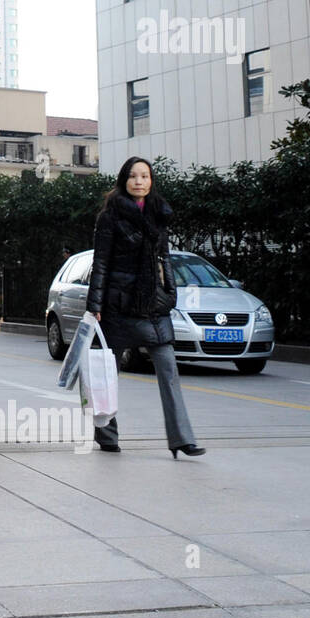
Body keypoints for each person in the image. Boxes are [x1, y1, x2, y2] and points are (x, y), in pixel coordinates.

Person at [86, 156, 206, 459]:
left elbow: (165, 259)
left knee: (168, 370)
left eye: (145, 176)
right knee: (105, 373)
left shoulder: (158, 214)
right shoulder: (110, 216)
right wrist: (95, 304)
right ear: (124, 180)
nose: (140, 181)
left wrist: (169, 293)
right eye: (133, 176)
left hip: (153, 305)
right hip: (118, 305)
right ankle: (106, 433)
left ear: (151, 181)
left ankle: (181, 439)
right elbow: (101, 262)